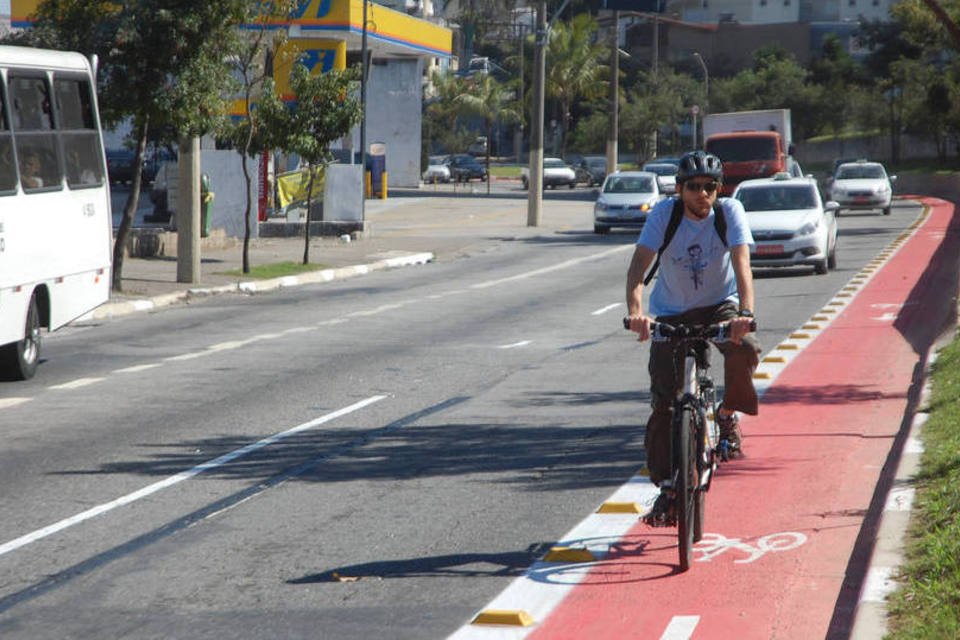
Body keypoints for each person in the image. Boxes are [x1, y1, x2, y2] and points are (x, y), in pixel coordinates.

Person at [624, 150, 761, 526]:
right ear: (680, 189)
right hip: (670, 310)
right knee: (664, 404)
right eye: (695, 187)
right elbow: (638, 267)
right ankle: (668, 488)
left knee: (745, 348)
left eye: (710, 187)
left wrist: (745, 314)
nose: (703, 195)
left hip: (719, 304)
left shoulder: (729, 212)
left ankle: (728, 413)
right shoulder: (664, 216)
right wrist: (637, 312)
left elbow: (742, 264)